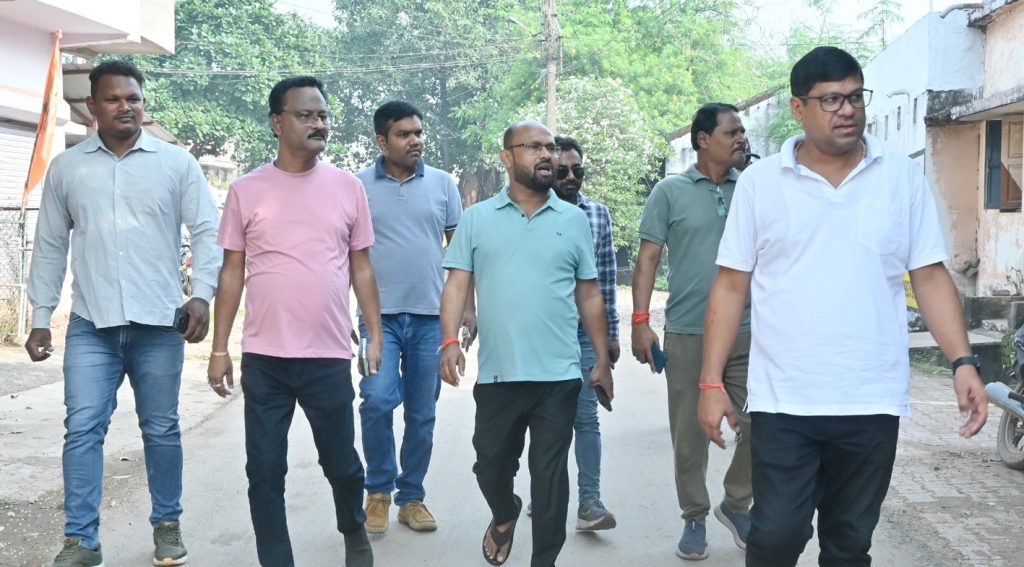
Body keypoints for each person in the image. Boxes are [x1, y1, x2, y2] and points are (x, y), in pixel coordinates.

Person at [698, 46, 988, 567]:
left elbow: (928, 274)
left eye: (855, 97)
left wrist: (962, 362)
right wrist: (710, 383)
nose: (847, 109)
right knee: (776, 535)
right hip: (785, 400)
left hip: (870, 398)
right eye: (830, 99)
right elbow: (731, 285)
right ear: (798, 108)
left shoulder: (900, 176)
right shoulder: (762, 184)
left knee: (850, 543)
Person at [24, 60, 220, 567]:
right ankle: (81, 541)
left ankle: (167, 525)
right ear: (93, 106)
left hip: (159, 325)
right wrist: (42, 316)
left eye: (133, 98)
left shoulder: (176, 164)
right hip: (92, 325)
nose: (125, 107)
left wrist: (201, 295)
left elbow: (206, 231)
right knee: (82, 429)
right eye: (113, 99)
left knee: (161, 428)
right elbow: (50, 245)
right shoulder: (67, 169)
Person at [206, 76, 381, 567]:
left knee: (343, 465)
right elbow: (232, 272)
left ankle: (353, 528)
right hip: (266, 357)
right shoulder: (246, 190)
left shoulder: (348, 188)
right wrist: (219, 349)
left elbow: (362, 266)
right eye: (306, 115)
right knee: (264, 469)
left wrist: (374, 333)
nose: (318, 123)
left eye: (322, 115)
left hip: (327, 353)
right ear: (277, 122)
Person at [438, 120, 614, 567]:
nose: (546, 155)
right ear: (506, 157)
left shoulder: (573, 220)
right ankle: (504, 511)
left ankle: (544, 561)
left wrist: (601, 359)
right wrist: (449, 341)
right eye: (533, 146)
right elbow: (457, 285)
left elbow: (588, 293)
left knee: (550, 478)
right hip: (499, 373)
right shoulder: (477, 219)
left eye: (549, 147)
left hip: (558, 374)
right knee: (490, 465)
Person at [631, 103, 752, 560]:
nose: (741, 138)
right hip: (687, 332)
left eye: (742, 131)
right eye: (731, 132)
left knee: (764, 423)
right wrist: (640, 322)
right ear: (703, 140)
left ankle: (737, 503)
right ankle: (695, 516)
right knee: (689, 434)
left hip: (749, 330)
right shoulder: (669, 192)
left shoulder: (753, 188)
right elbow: (647, 259)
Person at [355, 101, 471, 534]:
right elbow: (346, 254)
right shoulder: (357, 186)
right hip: (377, 320)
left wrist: (468, 308)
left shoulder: (443, 184)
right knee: (377, 399)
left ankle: (411, 497)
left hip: (431, 319)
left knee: (422, 413)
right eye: (404, 134)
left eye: (418, 132)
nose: (415, 140)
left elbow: (461, 254)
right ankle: (378, 492)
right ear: (381, 141)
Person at [547, 135, 619, 531]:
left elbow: (605, 279)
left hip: (585, 334)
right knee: (548, 419)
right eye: (562, 172)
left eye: (578, 170)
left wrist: (611, 337)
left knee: (586, 416)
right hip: (545, 334)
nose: (571, 177)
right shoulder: (535, 214)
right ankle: (548, 490)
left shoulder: (597, 215)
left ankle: (589, 502)